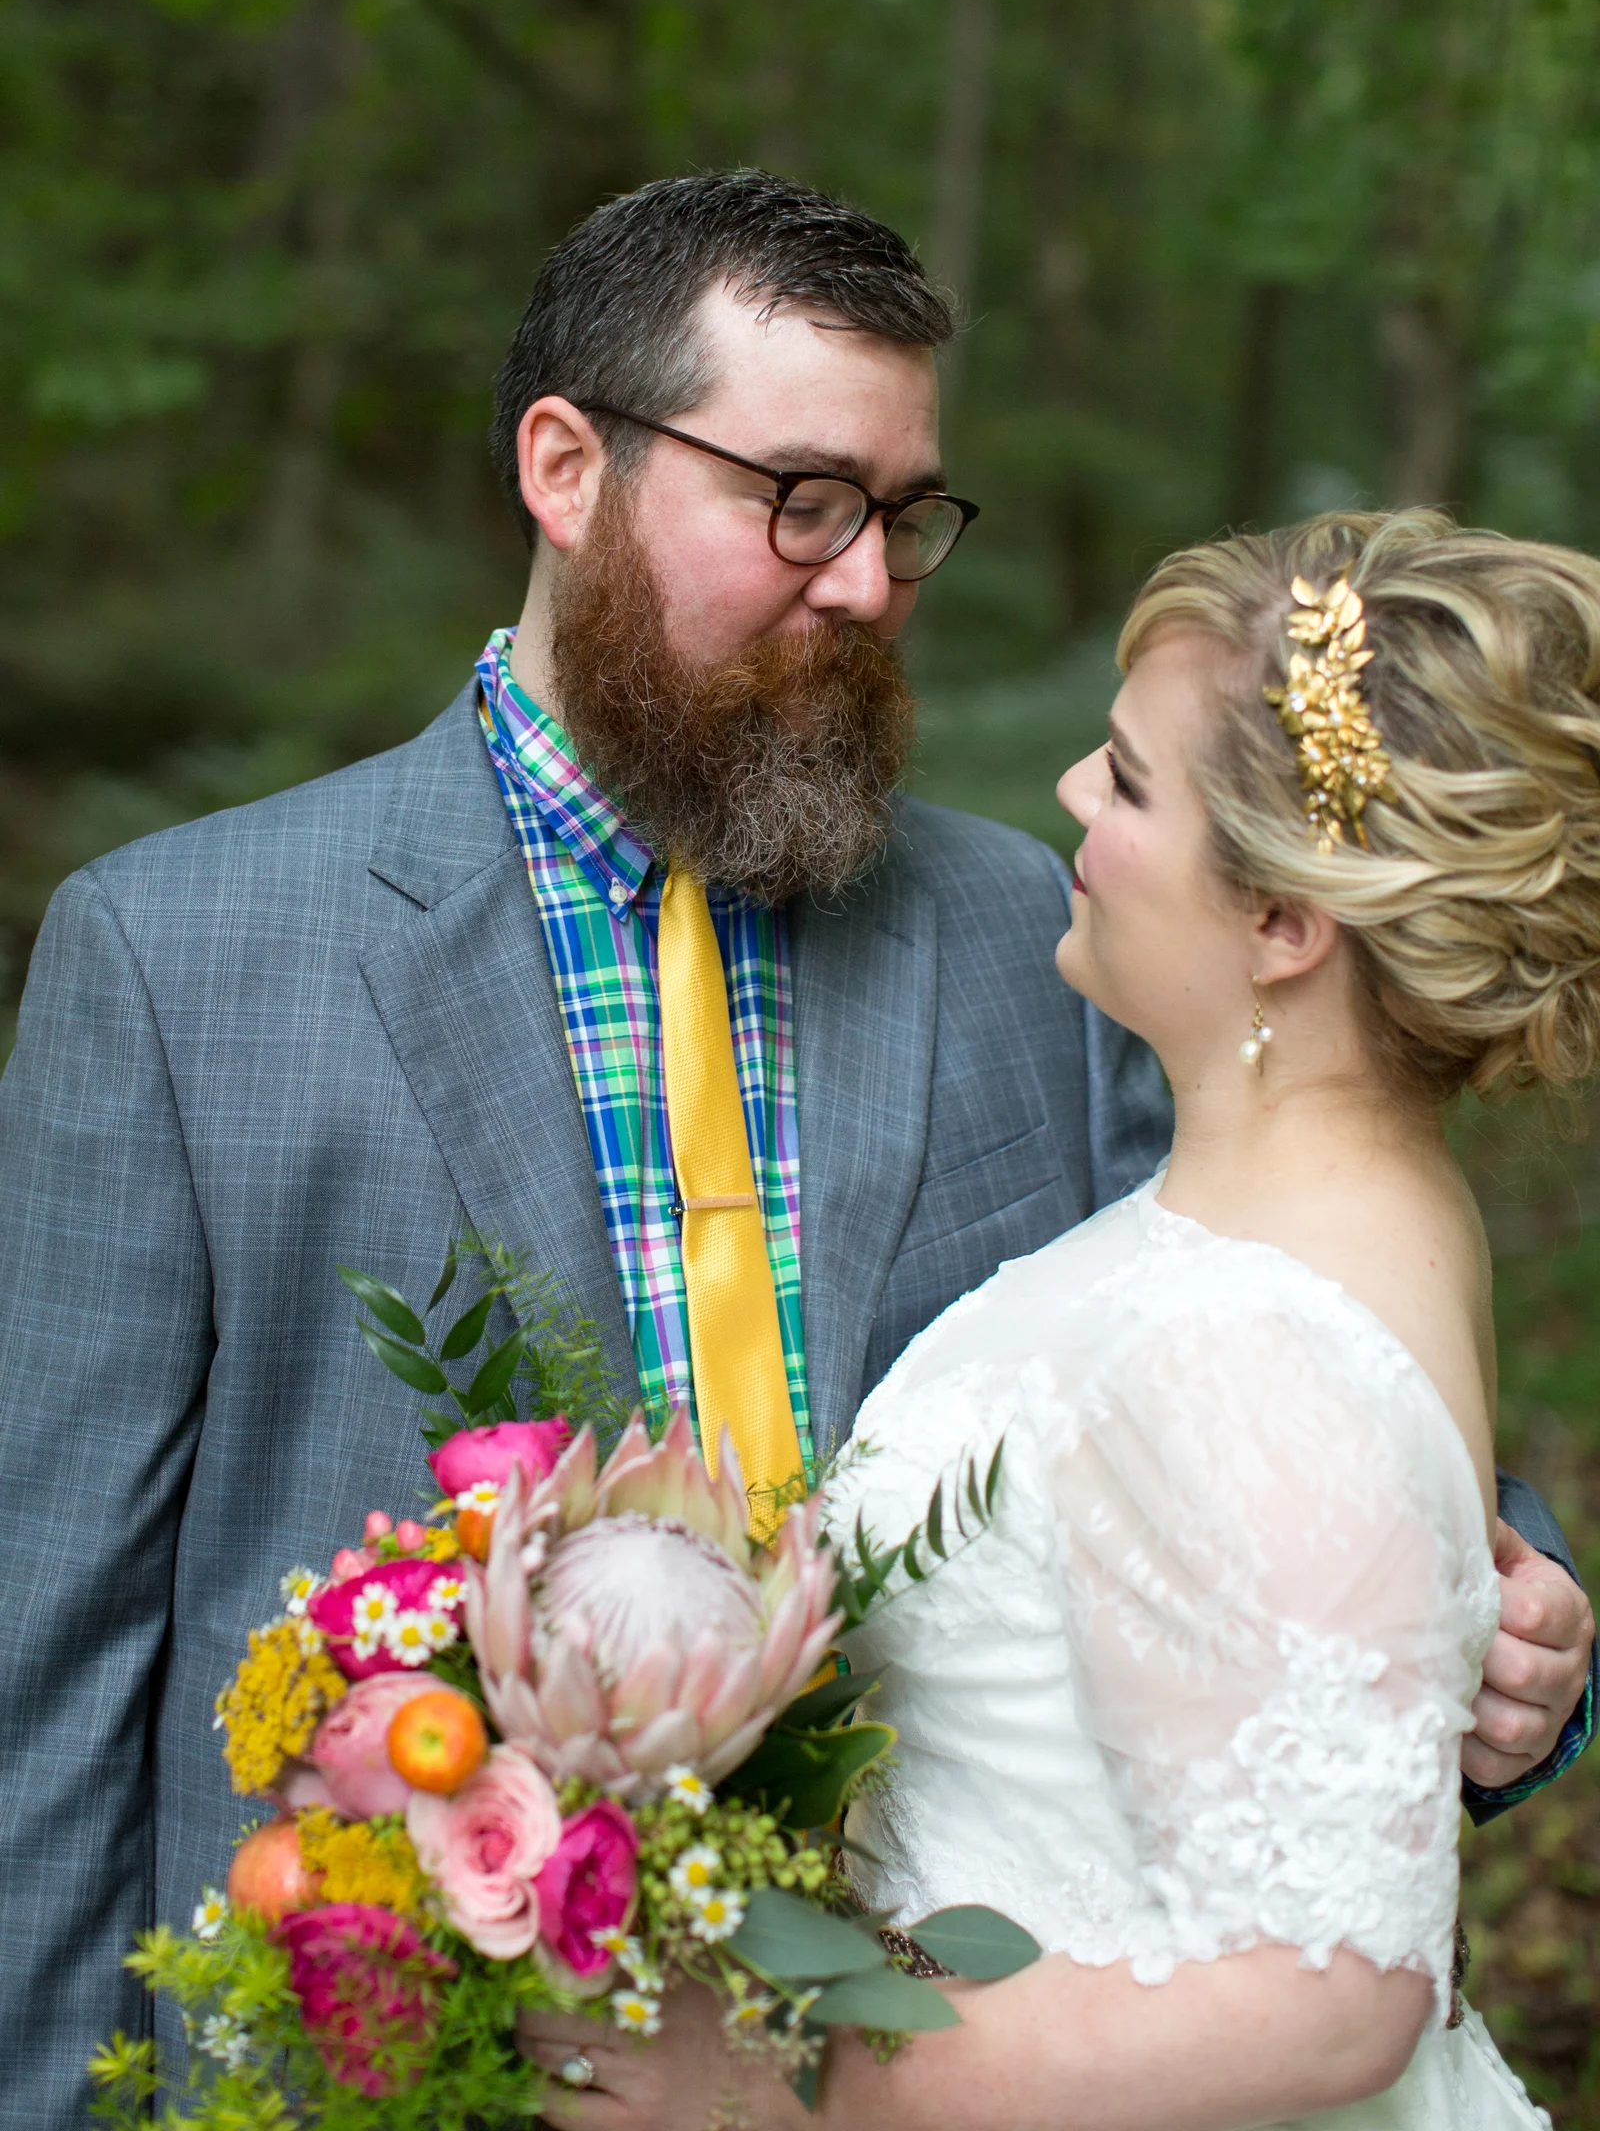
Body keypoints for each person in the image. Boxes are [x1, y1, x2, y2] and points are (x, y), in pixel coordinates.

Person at [0, 175, 1585, 2126]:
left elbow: (1256, 1370)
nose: (863, 581)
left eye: (905, 512)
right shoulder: (173, 964)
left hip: (956, 2046)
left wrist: (1508, 1624)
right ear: (565, 468)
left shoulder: (1047, 933)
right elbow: (44, 1679)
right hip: (379, 2065)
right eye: (800, 498)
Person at [519, 509, 1600, 2131]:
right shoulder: (1349, 1209)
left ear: (1285, 926)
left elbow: (1327, 2004)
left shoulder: (1235, 1336)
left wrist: (779, 2078)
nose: (1074, 798)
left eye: (1131, 778)